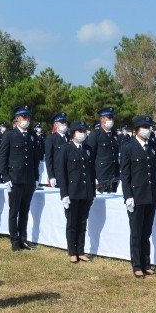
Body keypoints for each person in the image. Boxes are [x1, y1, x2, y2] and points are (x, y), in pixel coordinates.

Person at [120, 115, 156, 279]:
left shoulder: (152, 146)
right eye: (144, 127)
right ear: (136, 129)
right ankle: (137, 265)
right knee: (136, 232)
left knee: (146, 232)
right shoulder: (128, 147)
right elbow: (125, 174)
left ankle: (146, 263)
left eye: (149, 127)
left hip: (150, 194)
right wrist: (128, 195)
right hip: (136, 195)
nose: (147, 130)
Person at [0, 104, 40, 251]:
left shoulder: (32, 136)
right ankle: (14, 241)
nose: (26, 119)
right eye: (23, 116)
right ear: (17, 118)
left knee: (24, 211)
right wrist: (6, 177)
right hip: (14, 179)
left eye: (28, 116)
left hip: (28, 179)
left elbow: (35, 159)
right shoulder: (9, 135)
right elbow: (2, 158)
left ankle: (23, 238)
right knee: (14, 211)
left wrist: (36, 177)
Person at [54, 120, 96, 263]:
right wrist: (64, 194)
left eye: (84, 131)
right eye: (79, 131)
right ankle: (72, 251)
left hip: (86, 192)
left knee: (82, 222)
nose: (82, 134)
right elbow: (61, 173)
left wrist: (92, 192)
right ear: (73, 133)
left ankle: (81, 251)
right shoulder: (65, 149)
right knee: (72, 223)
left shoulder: (88, 149)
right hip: (72, 192)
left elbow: (91, 172)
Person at [87, 107, 120, 193]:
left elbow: (115, 156)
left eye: (112, 118)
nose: (111, 120)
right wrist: (93, 177)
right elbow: (90, 158)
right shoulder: (95, 135)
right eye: (109, 118)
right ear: (102, 119)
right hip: (101, 176)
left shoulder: (114, 134)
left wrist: (117, 174)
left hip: (113, 176)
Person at [43, 113, 69, 188]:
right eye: (62, 122)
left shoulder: (69, 138)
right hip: (58, 174)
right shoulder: (51, 138)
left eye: (65, 122)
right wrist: (51, 176)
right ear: (55, 125)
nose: (64, 124)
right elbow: (49, 158)